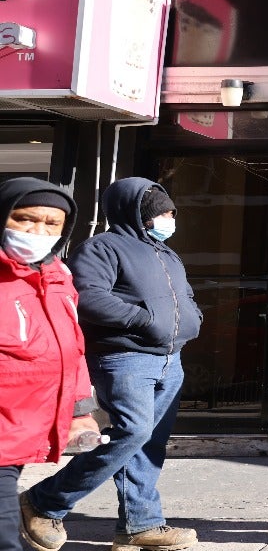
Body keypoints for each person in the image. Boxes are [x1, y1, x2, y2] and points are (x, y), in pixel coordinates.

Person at [21, 178, 201, 551]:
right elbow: (87, 297)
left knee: (149, 443)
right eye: (162, 213)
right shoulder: (101, 248)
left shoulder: (166, 254)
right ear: (137, 213)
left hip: (170, 360)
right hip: (124, 358)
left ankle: (140, 525)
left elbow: (186, 297)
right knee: (133, 432)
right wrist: (144, 319)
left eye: (171, 213)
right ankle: (43, 502)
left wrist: (193, 319)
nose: (169, 219)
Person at [0, 178, 98, 551]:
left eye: (51, 223)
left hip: (21, 427)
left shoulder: (57, 277)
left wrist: (80, 410)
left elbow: (71, 349)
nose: (38, 231)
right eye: (25, 219)